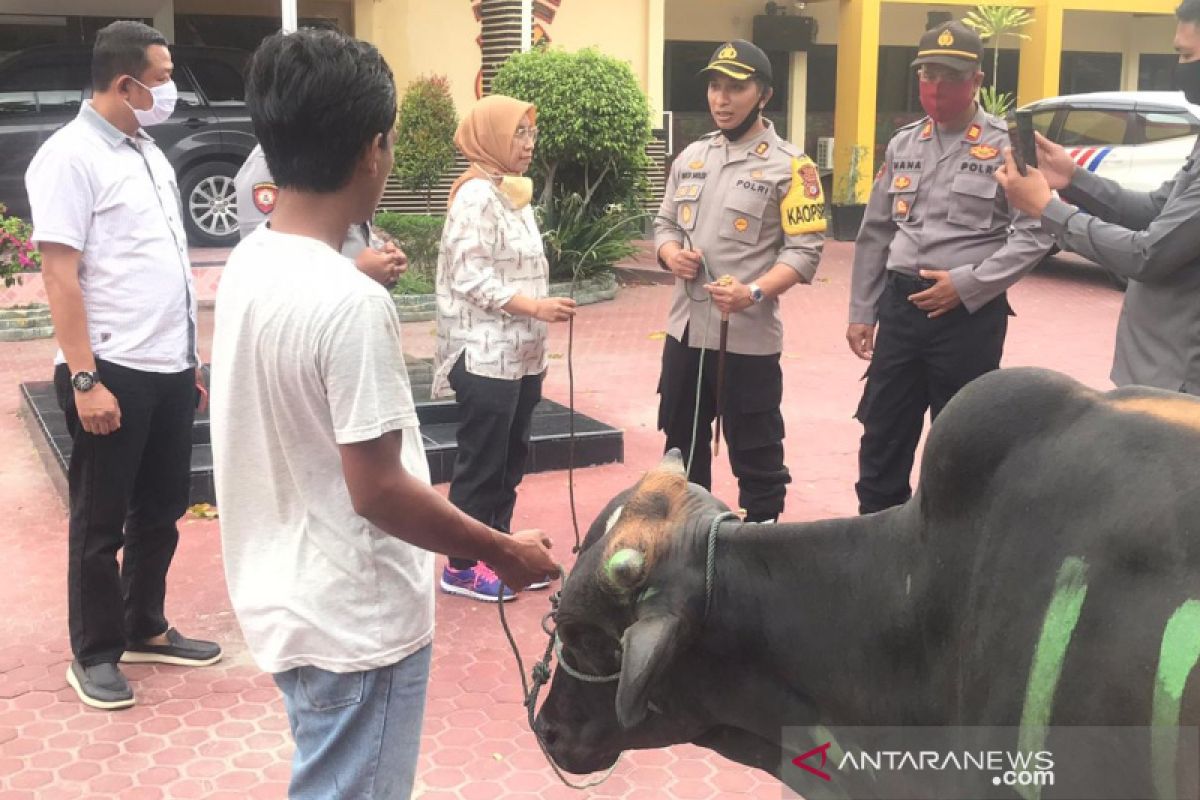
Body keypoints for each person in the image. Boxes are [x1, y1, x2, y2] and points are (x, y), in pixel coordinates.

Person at [209, 30, 557, 799]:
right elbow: (378, 490)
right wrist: (496, 548)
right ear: (372, 150)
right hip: (354, 622)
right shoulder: (349, 300)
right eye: (391, 143)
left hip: (284, 599)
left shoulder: (249, 260)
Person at [25, 20, 222, 711]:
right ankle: (95, 654)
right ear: (125, 83)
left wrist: (188, 362)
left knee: (161, 511)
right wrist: (84, 379)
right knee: (100, 523)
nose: (170, 90)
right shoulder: (69, 157)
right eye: (163, 78)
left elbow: (162, 262)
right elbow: (59, 276)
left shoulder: (148, 151)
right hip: (108, 369)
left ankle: (145, 626)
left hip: (166, 367)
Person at [847, 21, 1054, 515]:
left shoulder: (1009, 146)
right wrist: (861, 310)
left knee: (961, 445)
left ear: (977, 80)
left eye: (951, 76)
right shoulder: (903, 143)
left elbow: (1036, 233)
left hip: (966, 319)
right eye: (928, 74)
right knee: (882, 436)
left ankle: (949, 560)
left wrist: (966, 285)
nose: (936, 87)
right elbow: (876, 232)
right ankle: (876, 548)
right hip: (900, 310)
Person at [653, 39, 825, 525]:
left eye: (736, 87)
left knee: (757, 455)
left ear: (764, 94)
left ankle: (762, 552)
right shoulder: (691, 157)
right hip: (685, 332)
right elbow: (664, 224)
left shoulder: (793, 166)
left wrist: (753, 292)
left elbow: (806, 250)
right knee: (681, 451)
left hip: (746, 341)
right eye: (714, 86)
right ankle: (689, 546)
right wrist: (671, 255)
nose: (721, 99)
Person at [996, 0, 1200, 396]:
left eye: (1186, 54)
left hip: (1180, 386)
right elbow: (1155, 211)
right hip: (1156, 369)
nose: (1180, 66)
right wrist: (1072, 179)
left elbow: (1148, 255)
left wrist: (1048, 210)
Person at [431, 95, 575, 602]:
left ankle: (505, 554)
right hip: (485, 353)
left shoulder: (510, 192)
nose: (528, 144)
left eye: (531, 134)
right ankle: (463, 567)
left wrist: (538, 314)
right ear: (490, 136)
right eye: (518, 133)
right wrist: (535, 308)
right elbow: (471, 277)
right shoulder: (474, 196)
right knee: (483, 463)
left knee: (511, 459)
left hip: (521, 355)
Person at [234, 143, 408, 286]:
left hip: (349, 295)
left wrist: (382, 256)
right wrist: (356, 270)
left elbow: (351, 227)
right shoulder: (273, 159)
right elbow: (267, 260)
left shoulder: (333, 143)